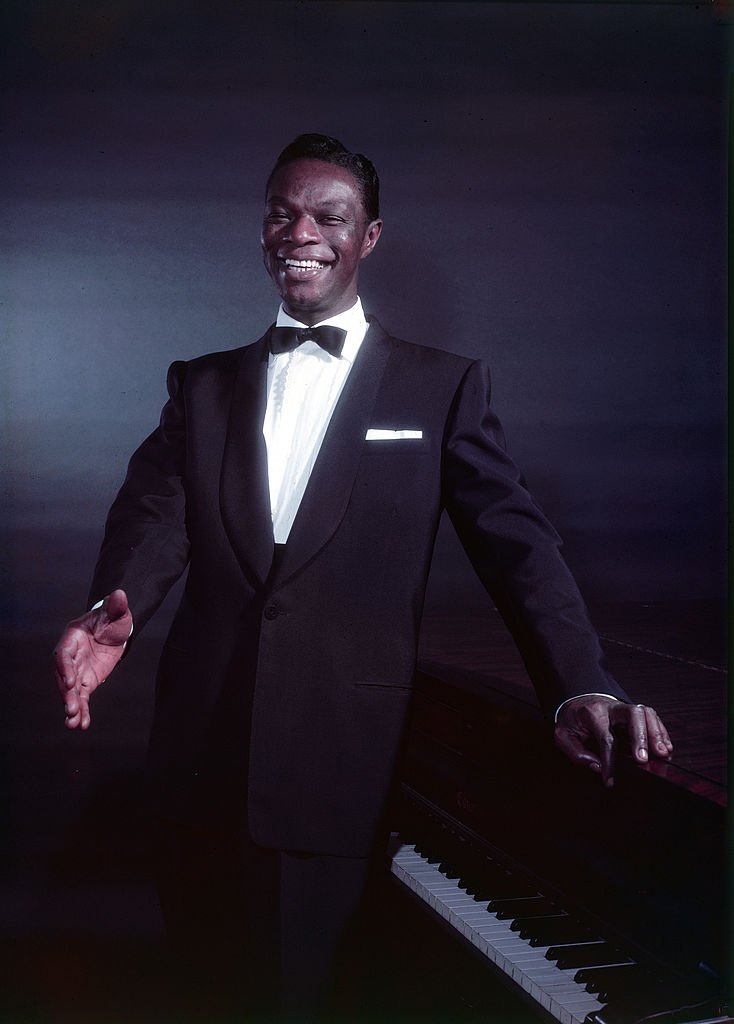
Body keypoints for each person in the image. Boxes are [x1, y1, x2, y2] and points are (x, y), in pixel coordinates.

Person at [54, 133, 673, 1020]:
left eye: (327, 216)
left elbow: (518, 546)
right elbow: (157, 516)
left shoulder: (442, 387)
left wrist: (579, 687)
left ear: (368, 237)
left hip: (340, 764)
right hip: (198, 762)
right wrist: (112, 607)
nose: (298, 231)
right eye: (281, 211)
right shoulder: (201, 385)